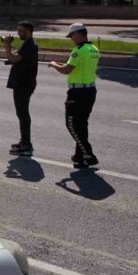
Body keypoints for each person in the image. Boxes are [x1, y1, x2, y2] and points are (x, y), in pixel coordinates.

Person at [49, 23, 100, 169]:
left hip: (77, 93)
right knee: (81, 124)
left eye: (71, 36)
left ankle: (88, 154)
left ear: (78, 34)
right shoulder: (94, 49)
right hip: (90, 90)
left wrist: (53, 64)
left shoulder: (78, 50)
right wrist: (61, 63)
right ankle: (80, 157)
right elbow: (77, 66)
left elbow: (66, 70)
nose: (71, 39)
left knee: (71, 125)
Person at [2, 21, 38, 156]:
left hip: (23, 84)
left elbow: (13, 57)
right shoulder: (28, 45)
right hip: (23, 83)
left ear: (29, 31)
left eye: (21, 31)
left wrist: (7, 44)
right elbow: (17, 58)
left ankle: (26, 144)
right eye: (18, 30)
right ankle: (24, 141)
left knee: (23, 115)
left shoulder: (30, 46)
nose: (18, 33)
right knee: (22, 114)